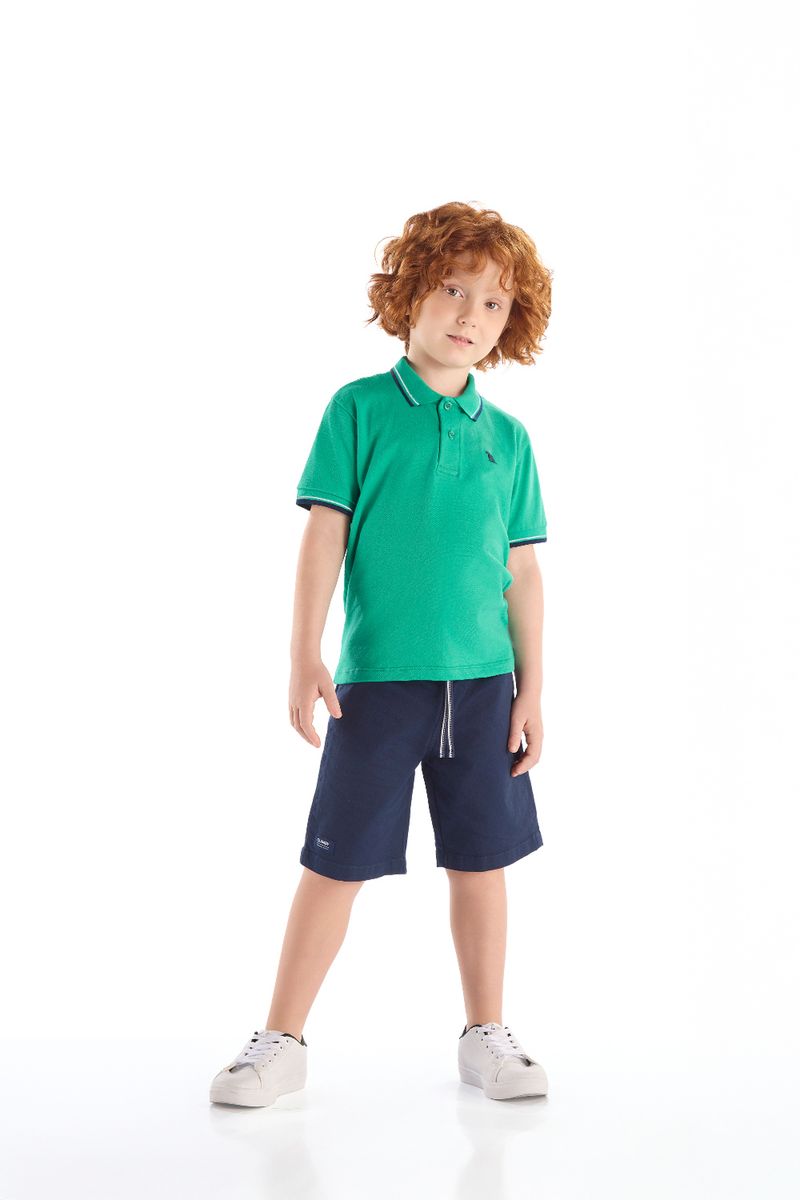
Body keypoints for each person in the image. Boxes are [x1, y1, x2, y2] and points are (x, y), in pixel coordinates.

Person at [210, 201, 552, 1107]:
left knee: (482, 862)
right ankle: (281, 1040)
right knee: (335, 862)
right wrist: (303, 654)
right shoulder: (358, 409)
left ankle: (486, 1034)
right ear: (410, 292)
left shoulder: (509, 439)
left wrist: (532, 688)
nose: (470, 315)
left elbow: (522, 571)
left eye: (492, 302)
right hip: (377, 687)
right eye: (453, 290)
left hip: (484, 689)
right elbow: (324, 534)